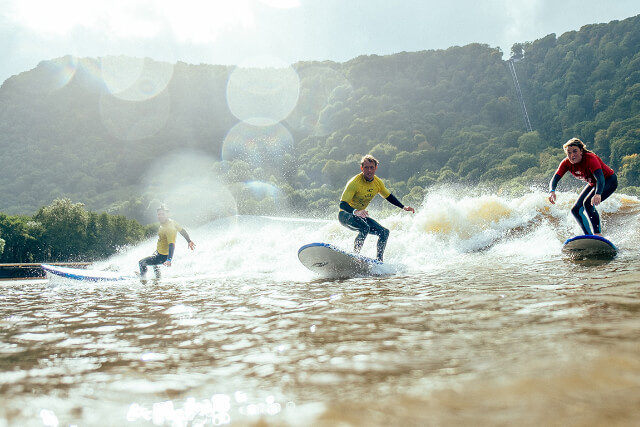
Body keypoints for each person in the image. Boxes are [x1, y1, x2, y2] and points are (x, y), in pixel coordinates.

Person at [339, 154, 415, 261]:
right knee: (364, 227)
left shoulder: (378, 183)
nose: (369, 171)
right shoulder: (354, 183)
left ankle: (379, 262)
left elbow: (388, 196)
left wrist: (403, 206)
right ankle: (354, 256)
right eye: (366, 168)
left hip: (360, 216)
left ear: (375, 168)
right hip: (345, 215)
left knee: (384, 232)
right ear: (362, 168)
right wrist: (356, 212)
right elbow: (342, 204)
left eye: (371, 167)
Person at [548, 137, 617, 236]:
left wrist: (598, 193)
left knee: (588, 203)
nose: (572, 155)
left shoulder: (590, 158)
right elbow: (555, 178)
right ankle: (588, 236)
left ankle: (598, 234)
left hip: (609, 180)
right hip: (593, 183)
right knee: (575, 210)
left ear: (581, 151)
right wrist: (552, 191)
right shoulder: (566, 163)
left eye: (575, 151)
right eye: (569, 152)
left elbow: (600, 178)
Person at [138, 205, 196, 278]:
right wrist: (189, 241)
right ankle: (158, 279)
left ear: (168, 214)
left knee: (141, 263)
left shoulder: (169, 228)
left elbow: (172, 245)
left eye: (163, 214)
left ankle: (143, 279)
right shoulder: (172, 222)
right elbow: (182, 230)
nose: (160, 216)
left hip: (163, 256)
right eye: (159, 214)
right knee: (154, 265)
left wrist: (169, 259)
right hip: (159, 252)